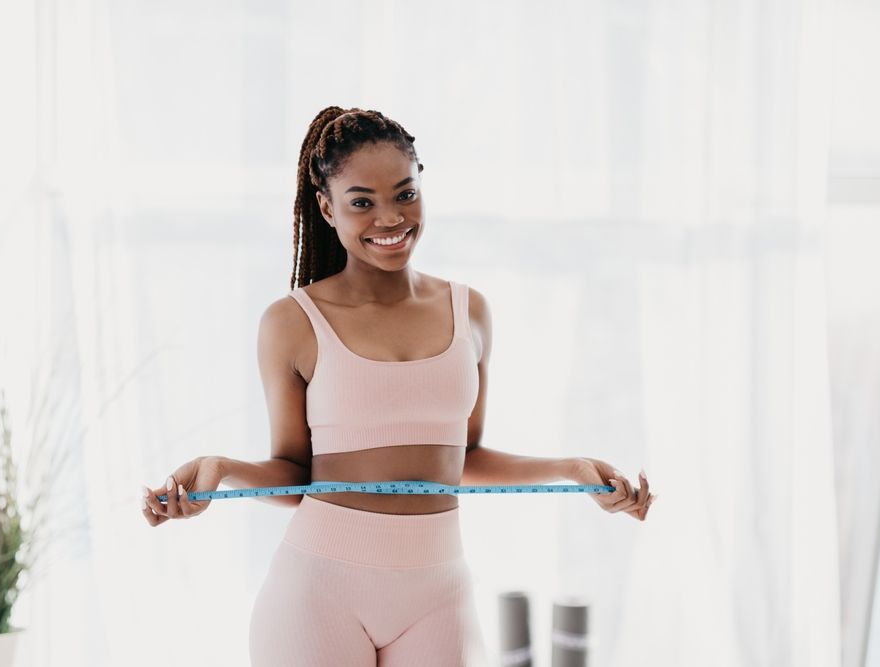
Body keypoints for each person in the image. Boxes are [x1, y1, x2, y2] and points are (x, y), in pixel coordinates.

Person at [140, 106, 656, 666]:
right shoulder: (292, 323)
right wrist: (222, 469)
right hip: (318, 591)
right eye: (362, 201)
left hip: (439, 591)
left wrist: (572, 470)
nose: (390, 218)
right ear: (327, 207)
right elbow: (295, 476)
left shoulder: (470, 311)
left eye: (405, 194)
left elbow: (464, 457)